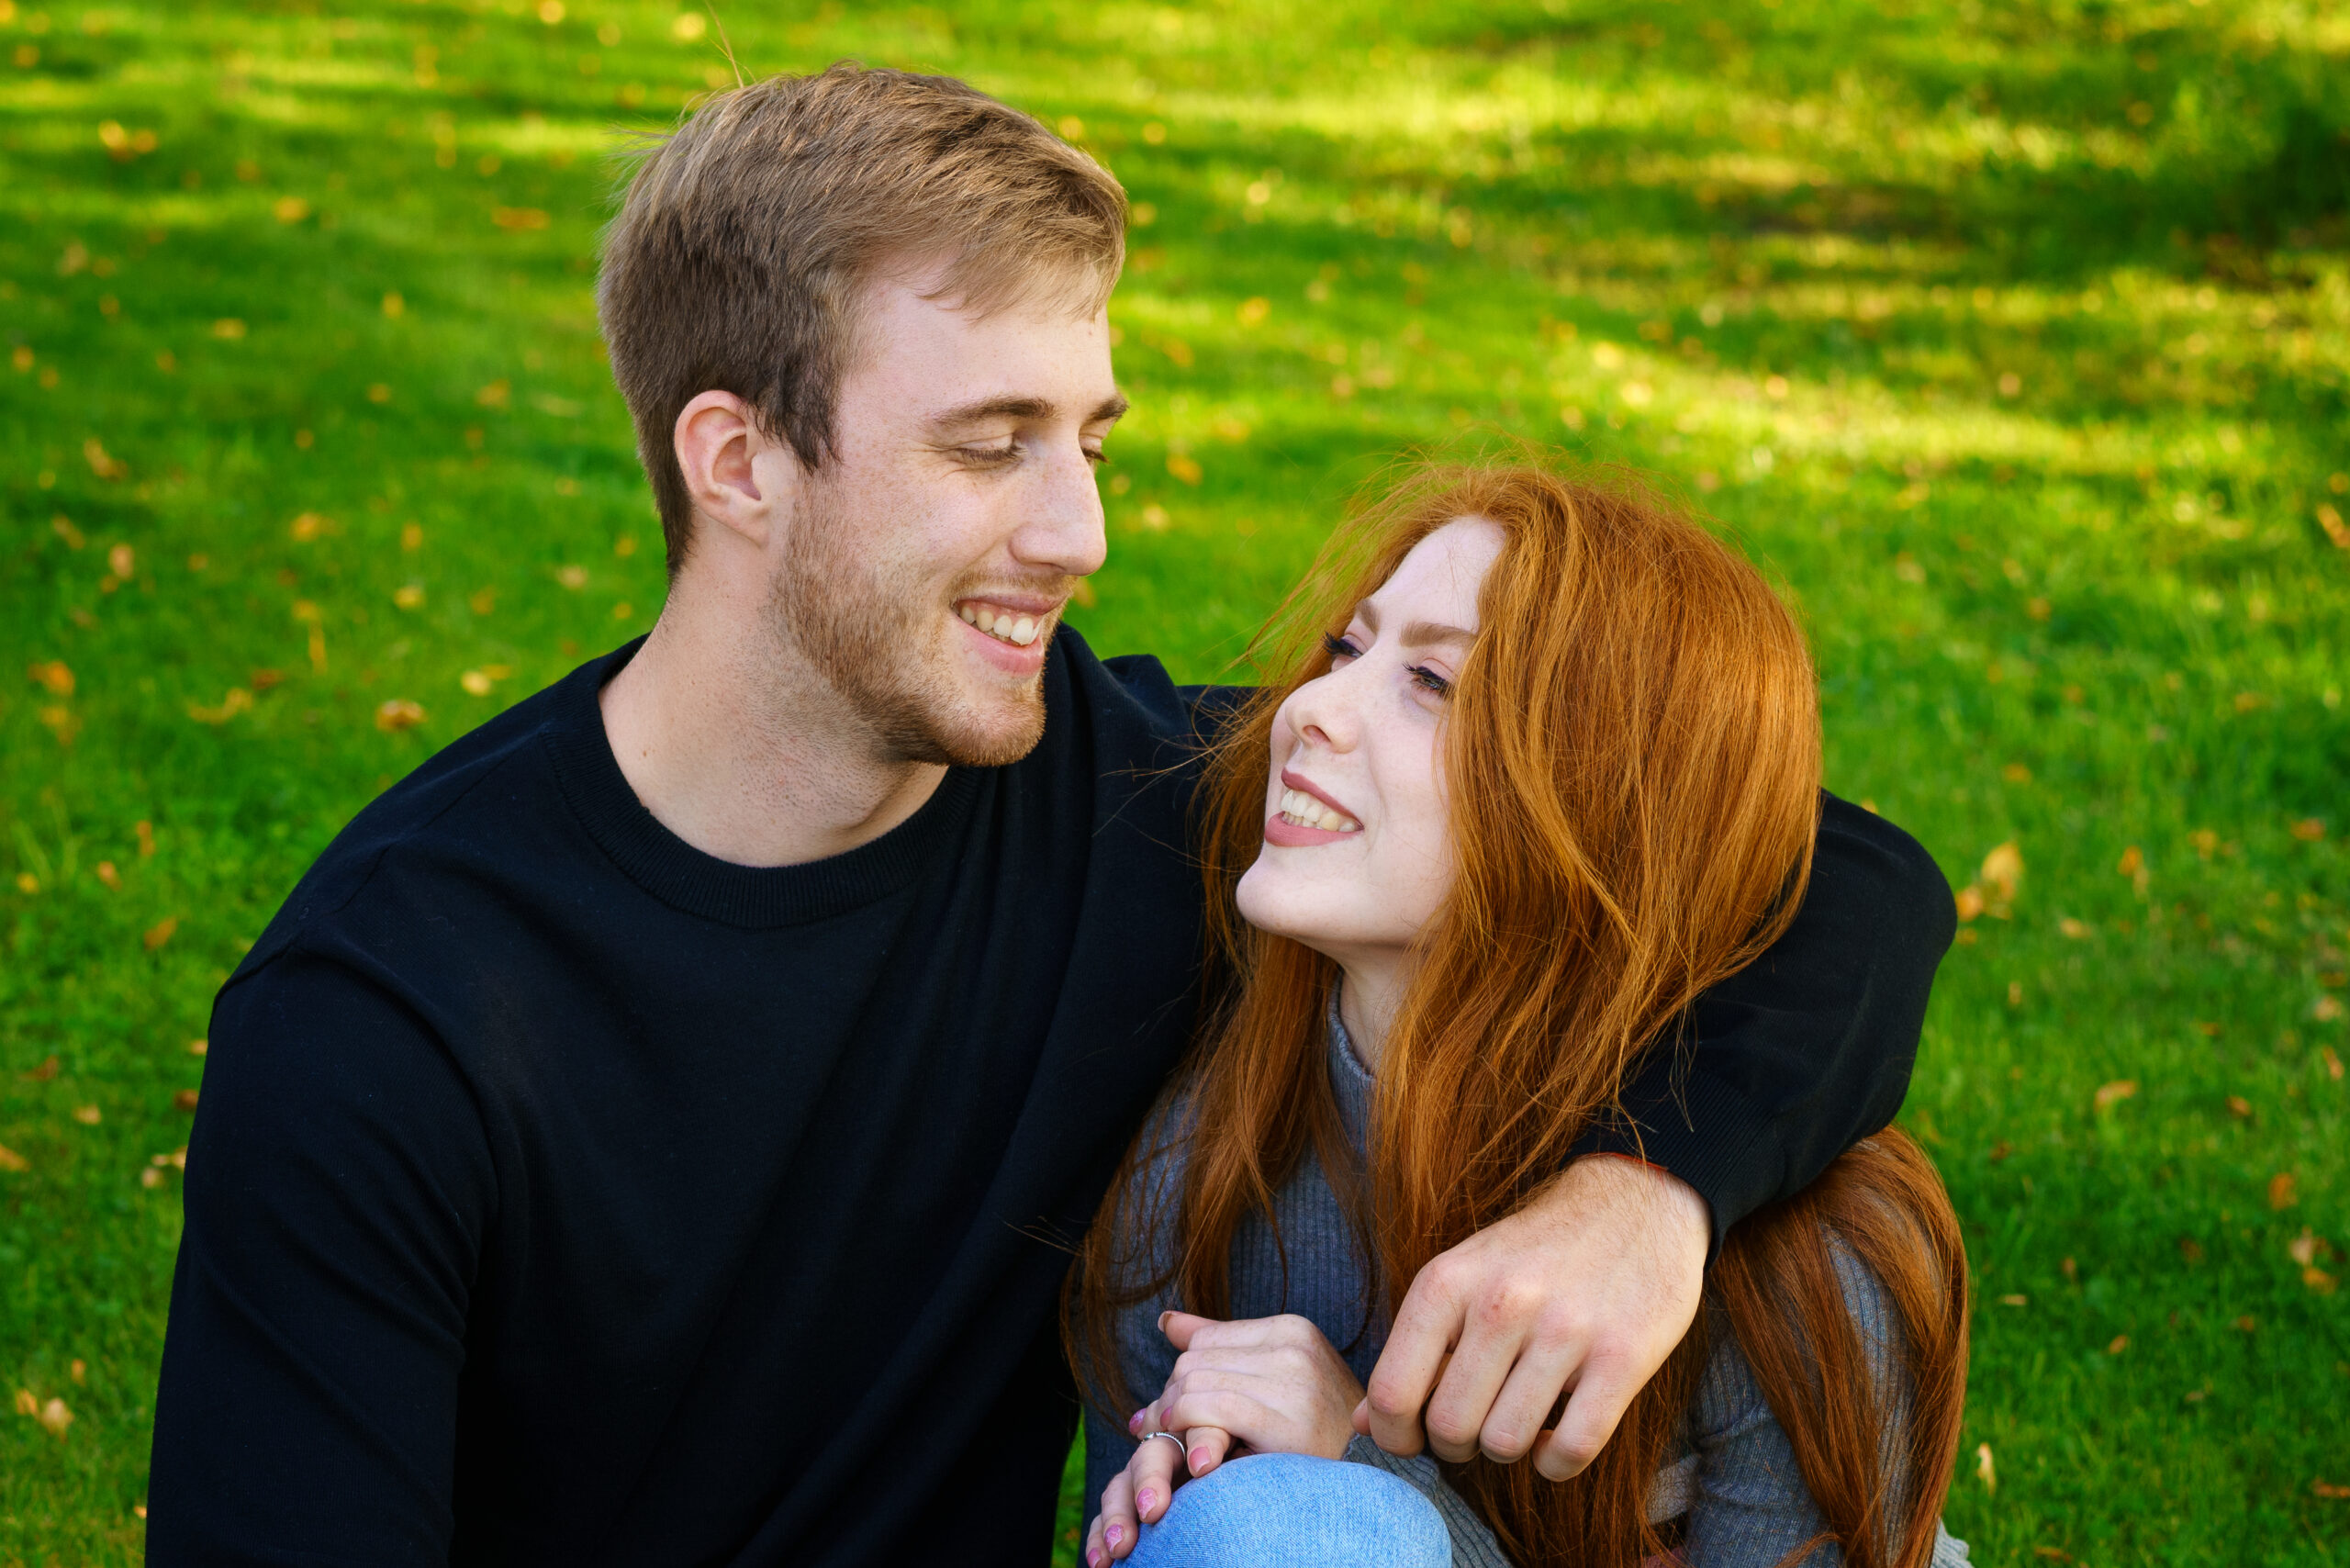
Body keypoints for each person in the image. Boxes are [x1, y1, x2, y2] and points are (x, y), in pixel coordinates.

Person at [145, 66, 1953, 1566]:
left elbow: (1797, 861)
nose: (1076, 536)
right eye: (985, 441)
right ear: (736, 460)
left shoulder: (1123, 804)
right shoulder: (386, 1014)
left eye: (1088, 437)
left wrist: (1640, 1191)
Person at [1074, 465, 1969, 1568]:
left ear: (1604, 804)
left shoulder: (1801, 1258)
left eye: (1435, 683)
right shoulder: (1195, 1162)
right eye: (1349, 652)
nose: (1307, 708)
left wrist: (1357, 1469)